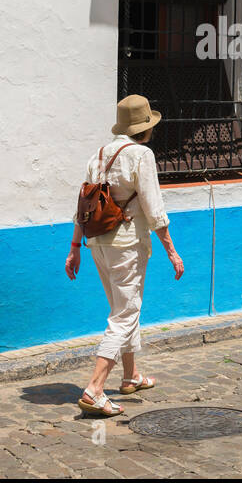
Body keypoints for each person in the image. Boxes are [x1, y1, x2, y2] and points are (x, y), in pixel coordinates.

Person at [66, 95, 184, 417]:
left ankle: (131, 376)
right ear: (145, 129)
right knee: (125, 314)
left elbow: (84, 207)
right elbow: (153, 207)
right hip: (127, 245)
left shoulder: (98, 156)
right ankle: (94, 389)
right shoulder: (141, 155)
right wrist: (171, 251)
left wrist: (74, 247)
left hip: (97, 245)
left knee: (122, 308)